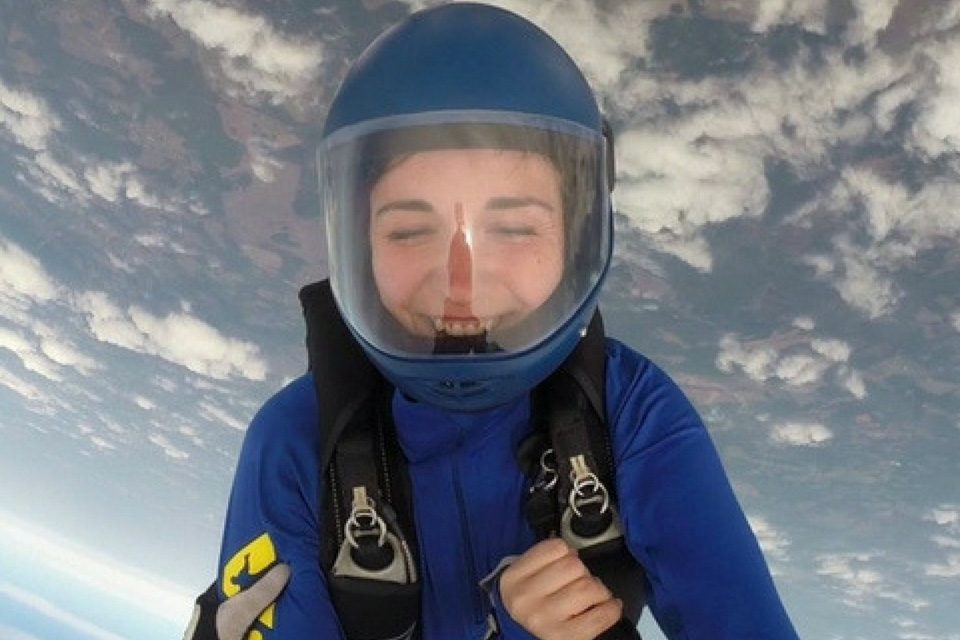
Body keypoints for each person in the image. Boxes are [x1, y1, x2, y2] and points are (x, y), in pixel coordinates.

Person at [184, 3, 800, 640]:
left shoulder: (628, 412)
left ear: (578, 236)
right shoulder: (299, 443)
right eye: (409, 229)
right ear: (357, 245)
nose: (461, 283)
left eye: (512, 228)